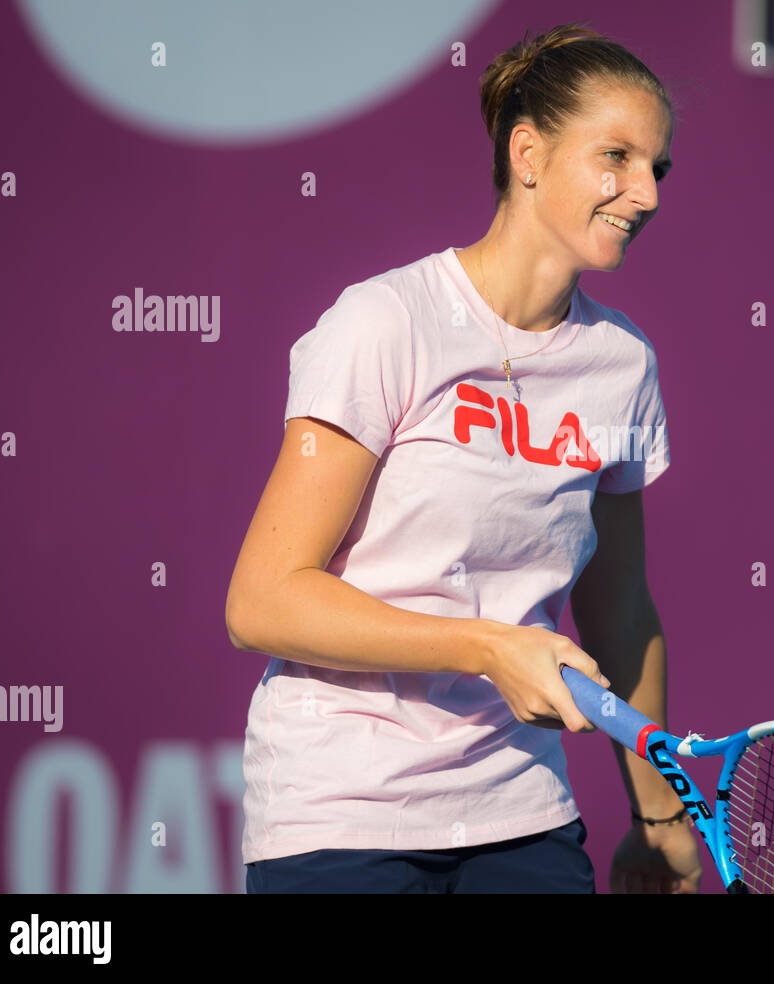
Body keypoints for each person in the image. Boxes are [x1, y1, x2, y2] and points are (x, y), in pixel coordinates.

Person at [225, 22, 701, 893]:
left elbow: (622, 613)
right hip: (339, 812)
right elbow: (261, 600)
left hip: (521, 814)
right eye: (618, 158)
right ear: (529, 153)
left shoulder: (624, 365)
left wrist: (659, 815)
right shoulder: (384, 323)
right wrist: (487, 647)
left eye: (657, 168)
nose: (647, 193)